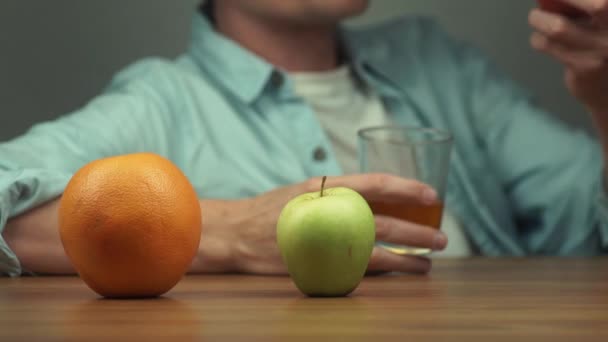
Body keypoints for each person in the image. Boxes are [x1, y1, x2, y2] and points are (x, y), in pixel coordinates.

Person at [1, 0, 607, 277]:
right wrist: (230, 233)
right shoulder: (163, 103)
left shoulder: (437, 63)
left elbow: (588, 218)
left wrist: (603, 92)